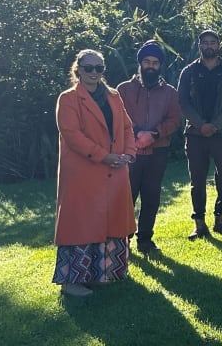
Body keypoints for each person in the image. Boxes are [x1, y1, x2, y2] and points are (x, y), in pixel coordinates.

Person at [53, 49, 136, 297]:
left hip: (116, 171)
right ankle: (72, 281)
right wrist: (104, 156)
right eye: (88, 68)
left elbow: (128, 127)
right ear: (77, 69)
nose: (93, 73)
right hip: (83, 174)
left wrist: (129, 153)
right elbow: (72, 135)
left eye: (98, 68)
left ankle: (102, 274)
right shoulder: (68, 99)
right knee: (81, 223)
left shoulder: (114, 96)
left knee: (111, 222)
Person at [117, 40, 181, 255]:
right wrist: (136, 134)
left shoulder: (170, 92)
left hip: (157, 151)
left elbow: (174, 120)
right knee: (126, 197)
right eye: (147, 62)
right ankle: (122, 240)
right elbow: (118, 117)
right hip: (129, 152)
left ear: (160, 65)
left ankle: (145, 240)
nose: (151, 66)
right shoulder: (123, 90)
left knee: (151, 196)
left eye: (155, 62)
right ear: (140, 63)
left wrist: (153, 134)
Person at [178, 29, 222, 239]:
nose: (209, 46)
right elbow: (183, 102)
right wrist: (200, 124)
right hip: (195, 134)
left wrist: (215, 125)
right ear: (199, 46)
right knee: (197, 180)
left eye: (212, 42)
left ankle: (220, 219)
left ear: (218, 45)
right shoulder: (188, 72)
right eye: (205, 42)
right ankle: (199, 223)